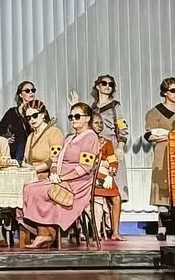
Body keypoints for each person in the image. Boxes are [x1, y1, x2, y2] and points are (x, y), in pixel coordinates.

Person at [18, 102, 100, 248]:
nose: (73, 119)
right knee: (28, 188)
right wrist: (54, 172)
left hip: (77, 184)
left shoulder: (90, 137)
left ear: (87, 118)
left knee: (39, 191)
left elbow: (85, 168)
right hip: (62, 179)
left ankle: (46, 233)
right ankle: (45, 231)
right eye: (71, 117)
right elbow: (55, 159)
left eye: (77, 116)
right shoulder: (69, 138)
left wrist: (62, 178)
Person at [144, 77, 175, 239]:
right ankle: (162, 228)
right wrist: (169, 136)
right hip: (163, 152)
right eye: (173, 90)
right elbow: (149, 135)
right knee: (162, 188)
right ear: (164, 93)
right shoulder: (155, 112)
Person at [74, 75, 129, 201]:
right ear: (98, 86)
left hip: (111, 144)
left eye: (111, 84)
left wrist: (120, 147)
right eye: (104, 83)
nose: (107, 86)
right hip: (95, 145)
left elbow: (123, 127)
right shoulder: (93, 108)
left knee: (114, 180)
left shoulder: (115, 106)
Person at [90, 109, 122, 242]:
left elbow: (112, 160)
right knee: (97, 198)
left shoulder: (107, 142)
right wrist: (101, 163)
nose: (100, 125)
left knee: (117, 198)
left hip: (105, 175)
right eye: (96, 123)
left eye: (101, 123)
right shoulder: (86, 141)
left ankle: (115, 232)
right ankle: (95, 231)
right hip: (91, 175)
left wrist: (111, 174)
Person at [0, 80, 38, 164]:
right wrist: (7, 137)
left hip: (35, 147)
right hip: (17, 150)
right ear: (20, 94)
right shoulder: (12, 112)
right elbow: (1, 127)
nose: (31, 92)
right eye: (27, 91)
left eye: (33, 90)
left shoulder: (39, 110)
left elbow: (46, 125)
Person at [23, 100, 65, 179]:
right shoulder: (30, 136)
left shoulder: (54, 132)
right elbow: (26, 160)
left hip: (46, 178)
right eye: (28, 117)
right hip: (30, 177)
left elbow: (54, 159)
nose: (32, 119)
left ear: (42, 114)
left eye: (35, 115)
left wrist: (33, 169)